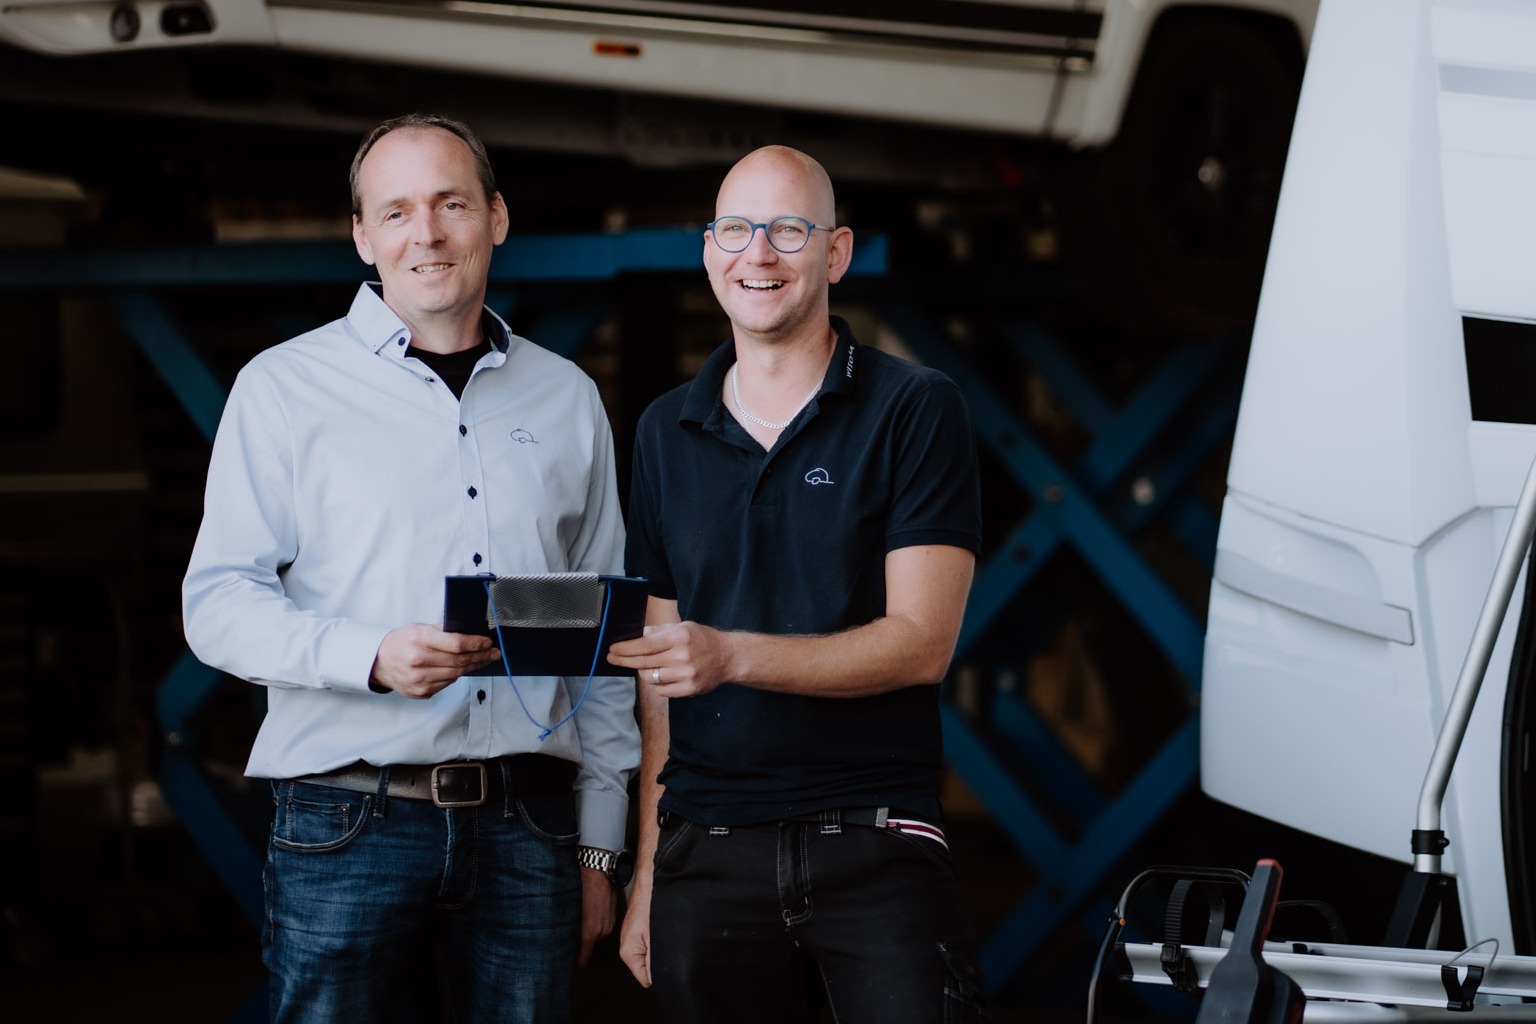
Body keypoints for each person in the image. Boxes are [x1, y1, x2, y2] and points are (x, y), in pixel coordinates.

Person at [181, 113, 639, 1023]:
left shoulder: (566, 397)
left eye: (450, 204)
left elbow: (601, 639)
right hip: (349, 824)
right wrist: (370, 656)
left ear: (496, 218)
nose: (425, 233)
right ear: (363, 236)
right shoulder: (284, 389)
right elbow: (218, 604)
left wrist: (599, 847)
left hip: (529, 831)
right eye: (395, 211)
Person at [608, 145, 990, 1023]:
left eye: (788, 229)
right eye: (735, 230)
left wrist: (730, 656)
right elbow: (661, 682)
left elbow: (921, 644)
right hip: (706, 850)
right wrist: (648, 874)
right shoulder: (665, 430)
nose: (759, 253)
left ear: (836, 252)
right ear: (709, 251)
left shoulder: (914, 407)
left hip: (872, 841)